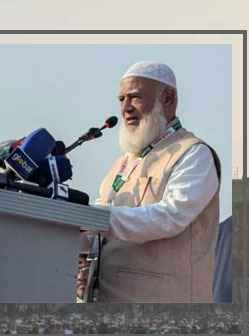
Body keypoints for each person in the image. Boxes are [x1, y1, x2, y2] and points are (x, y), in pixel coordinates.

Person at [79, 61, 221, 302]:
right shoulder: (122, 163)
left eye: (135, 97)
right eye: (121, 99)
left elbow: (170, 217)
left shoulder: (193, 153)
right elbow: (99, 234)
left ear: (168, 98)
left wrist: (93, 217)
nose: (126, 108)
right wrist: (62, 224)